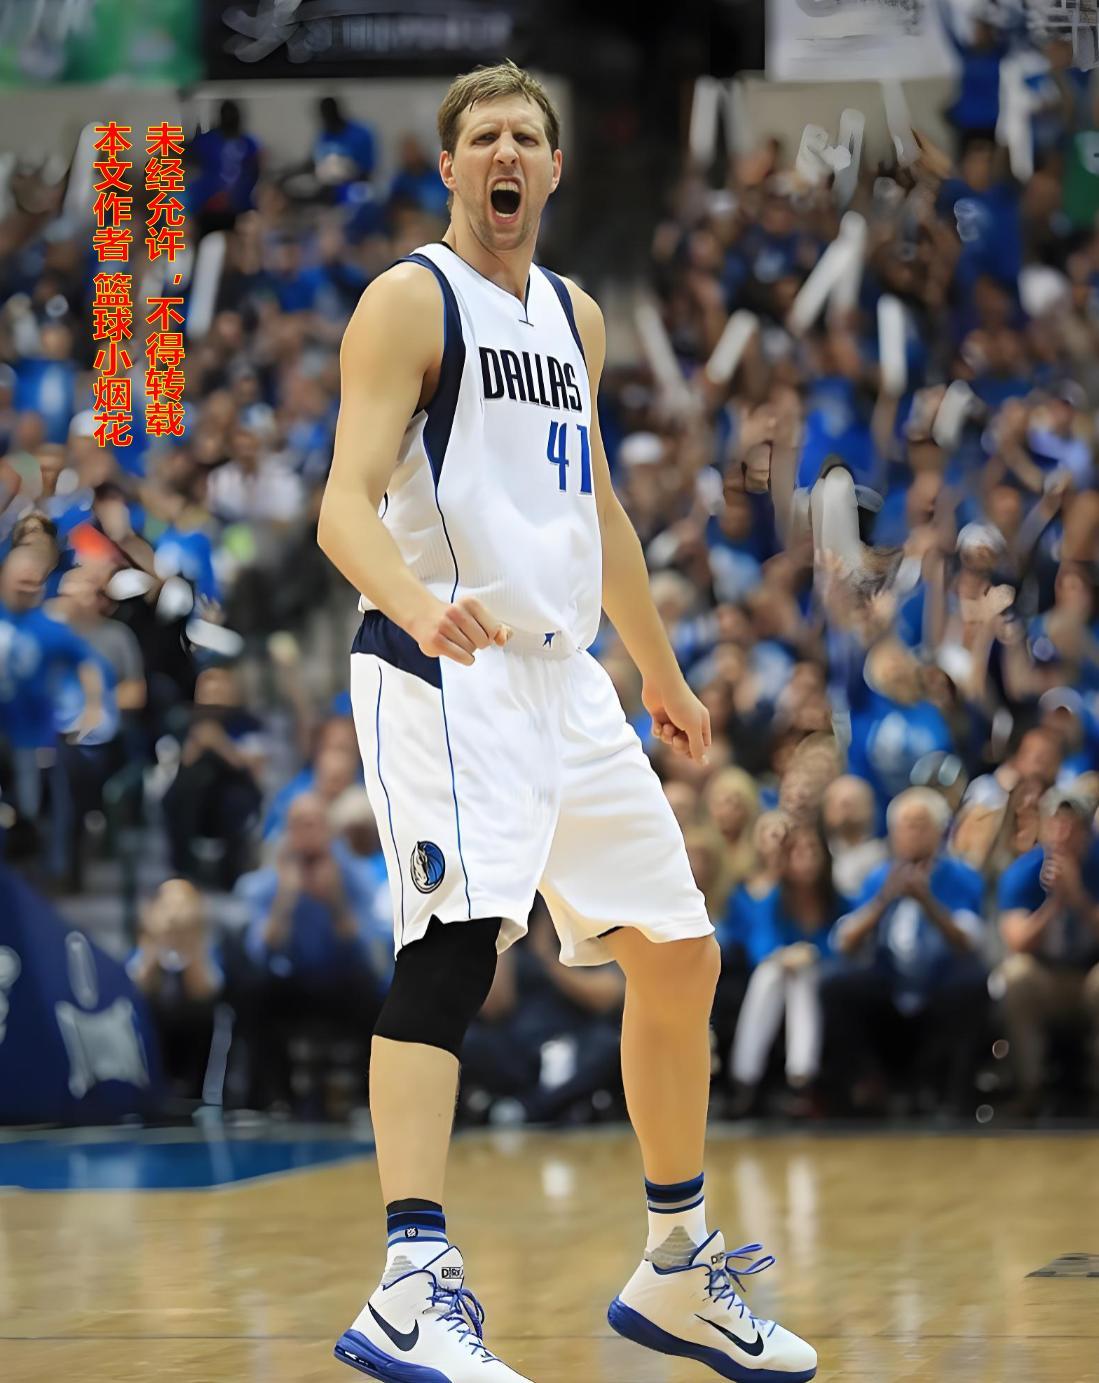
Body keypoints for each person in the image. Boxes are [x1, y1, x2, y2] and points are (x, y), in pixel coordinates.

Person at [317, 60, 816, 1383]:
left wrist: (659, 670)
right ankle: (408, 1285)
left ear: (551, 167)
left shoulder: (573, 317)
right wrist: (416, 604)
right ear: (450, 168)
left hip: (565, 677)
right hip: (444, 666)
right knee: (449, 952)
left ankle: (676, 1269)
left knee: (678, 953)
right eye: (481, 134)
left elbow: (594, 507)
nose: (504, 151)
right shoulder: (409, 300)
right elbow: (341, 506)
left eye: (524, 135)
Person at [822, 788, 989, 1114]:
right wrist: (884, 900)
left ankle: (954, 1099)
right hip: (891, 985)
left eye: (920, 824)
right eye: (905, 825)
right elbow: (843, 940)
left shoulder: (961, 876)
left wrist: (928, 902)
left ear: (940, 831)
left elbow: (970, 941)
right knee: (836, 987)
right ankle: (864, 1090)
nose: (912, 832)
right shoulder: (879, 878)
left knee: (972, 985)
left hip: (941, 986)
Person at [994, 785, 1099, 1116]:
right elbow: (1017, 941)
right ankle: (1030, 1090)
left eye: (1074, 826)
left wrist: (1078, 898)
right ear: (1044, 827)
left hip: (1089, 975)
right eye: (1057, 823)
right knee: (1016, 976)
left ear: (1088, 833)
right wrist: (1054, 903)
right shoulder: (1023, 873)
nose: (1064, 834)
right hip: (1046, 977)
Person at [725, 824, 845, 1115]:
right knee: (772, 973)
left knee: (801, 975)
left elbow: (843, 944)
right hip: (779, 978)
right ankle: (749, 1078)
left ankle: (799, 1077)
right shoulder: (773, 899)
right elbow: (760, 946)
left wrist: (812, 954)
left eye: (812, 850)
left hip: (827, 979)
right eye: (797, 852)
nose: (806, 858)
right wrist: (786, 956)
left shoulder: (836, 899)